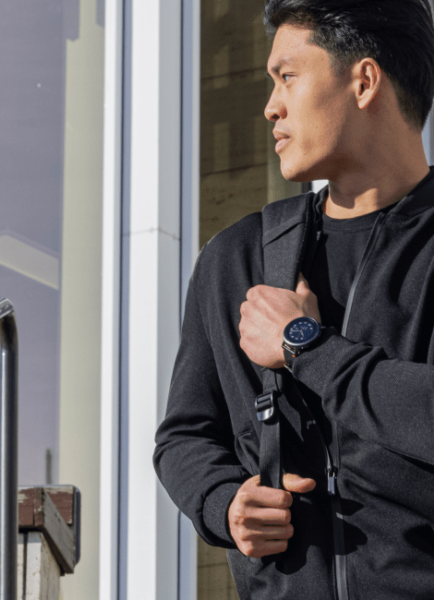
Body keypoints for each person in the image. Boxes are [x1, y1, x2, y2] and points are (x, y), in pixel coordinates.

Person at [153, 1, 434, 599]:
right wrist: (224, 503)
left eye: (287, 77)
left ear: (364, 81)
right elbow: (185, 435)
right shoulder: (237, 260)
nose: (270, 106)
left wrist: (307, 348)